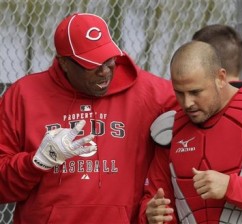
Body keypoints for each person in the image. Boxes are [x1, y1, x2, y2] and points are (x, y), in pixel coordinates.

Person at [0, 13, 179, 224]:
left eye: (109, 59)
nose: (104, 71)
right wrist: (37, 161)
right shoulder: (24, 95)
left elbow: (210, 106)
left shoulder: (151, 93)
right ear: (64, 63)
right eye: (91, 64)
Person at [139, 41, 242, 223]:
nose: (187, 103)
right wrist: (150, 214)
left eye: (195, 92)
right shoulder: (170, 132)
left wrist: (231, 187)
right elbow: (155, 198)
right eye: (179, 93)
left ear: (221, 78)